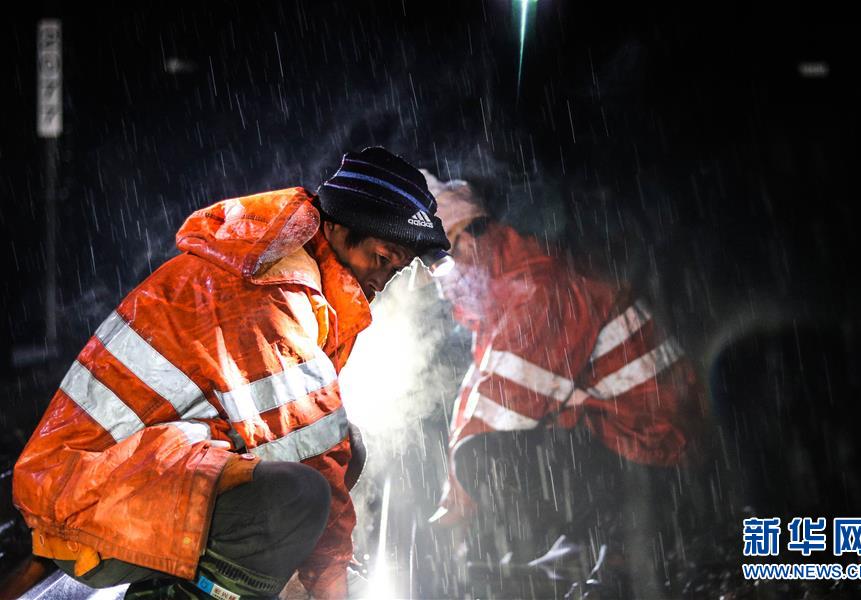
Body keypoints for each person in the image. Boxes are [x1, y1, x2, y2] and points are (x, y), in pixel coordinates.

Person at [12, 147, 450, 599]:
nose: (383, 280)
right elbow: (315, 462)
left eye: (396, 269)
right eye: (381, 258)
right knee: (301, 496)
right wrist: (329, 584)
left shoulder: (293, 273)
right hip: (87, 502)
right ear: (337, 227)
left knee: (342, 452)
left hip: (121, 481)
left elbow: (326, 444)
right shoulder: (272, 294)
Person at [421, 171, 707, 592]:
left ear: (463, 240)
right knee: (481, 457)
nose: (441, 285)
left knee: (483, 459)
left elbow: (502, 413)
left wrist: (454, 521)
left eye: (436, 264)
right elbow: (480, 397)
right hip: (640, 448)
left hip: (660, 462)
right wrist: (452, 502)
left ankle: (620, 538)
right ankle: (580, 548)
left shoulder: (537, 290)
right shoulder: (514, 290)